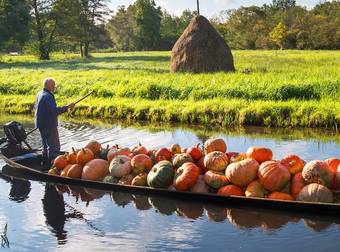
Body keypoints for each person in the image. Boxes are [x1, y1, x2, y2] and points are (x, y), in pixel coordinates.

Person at [34, 78, 75, 169]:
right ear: (49, 86)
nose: (55, 87)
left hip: (41, 124)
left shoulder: (39, 93)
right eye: (53, 85)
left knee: (45, 146)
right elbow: (54, 111)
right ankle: (54, 167)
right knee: (54, 147)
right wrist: (67, 107)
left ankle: (46, 165)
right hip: (49, 125)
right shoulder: (48, 96)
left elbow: (36, 108)